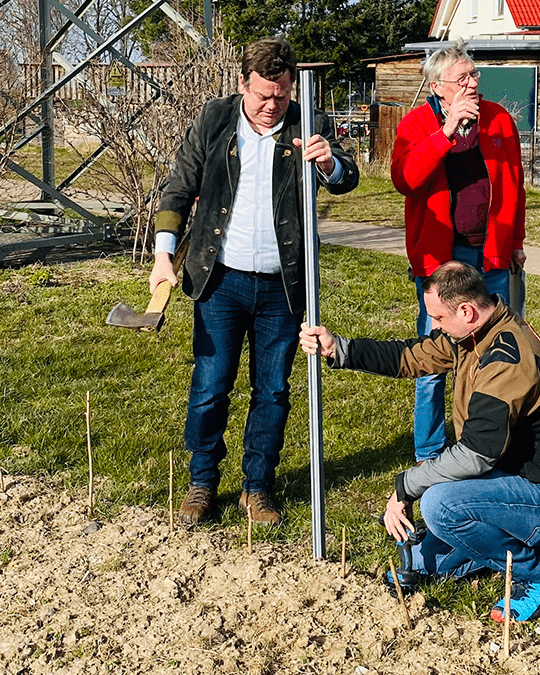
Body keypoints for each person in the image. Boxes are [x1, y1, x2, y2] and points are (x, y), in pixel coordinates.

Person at [299, 261, 540, 622]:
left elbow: (475, 454)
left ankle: (537, 575)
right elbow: (410, 356)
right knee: (431, 561)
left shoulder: (506, 357)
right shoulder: (474, 333)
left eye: (438, 318)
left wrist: (405, 487)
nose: (434, 326)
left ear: (467, 311)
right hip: (514, 478)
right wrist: (339, 349)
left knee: (442, 506)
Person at [150, 37, 359, 527]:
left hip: (284, 287)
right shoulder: (215, 120)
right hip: (220, 281)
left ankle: (257, 486)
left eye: (282, 95)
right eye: (264, 94)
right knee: (210, 386)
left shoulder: (309, 123)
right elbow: (179, 186)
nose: (273, 105)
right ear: (243, 84)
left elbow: (346, 178)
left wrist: (328, 162)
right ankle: (202, 482)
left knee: (273, 390)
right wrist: (164, 256)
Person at [390, 42, 527, 464]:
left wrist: (516, 241)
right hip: (440, 259)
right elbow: (405, 180)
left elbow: (515, 185)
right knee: (433, 355)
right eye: (462, 78)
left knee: (498, 351)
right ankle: (429, 452)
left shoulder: (499, 119)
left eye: (474, 75)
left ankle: (489, 445)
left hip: (490, 255)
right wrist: (446, 131)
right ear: (437, 87)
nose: (472, 84)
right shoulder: (416, 124)